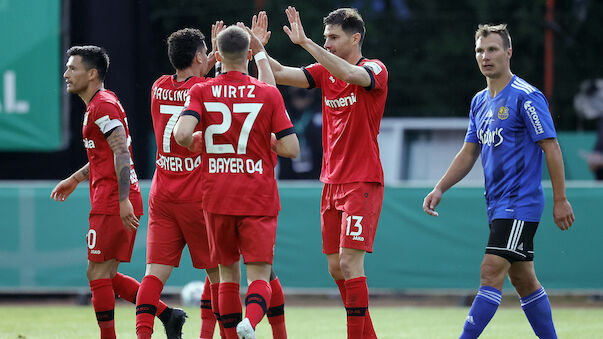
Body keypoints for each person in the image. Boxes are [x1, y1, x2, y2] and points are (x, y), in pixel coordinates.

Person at [422, 24, 575, 339]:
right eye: (480, 50)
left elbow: (551, 146)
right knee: (524, 281)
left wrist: (560, 199)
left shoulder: (527, 97)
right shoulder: (479, 101)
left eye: (492, 49)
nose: (485, 56)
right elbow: (468, 152)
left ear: (509, 52)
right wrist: (440, 187)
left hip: (520, 204)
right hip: (497, 205)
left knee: (490, 271)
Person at [260, 7, 388, 338]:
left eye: (333, 37)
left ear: (355, 37)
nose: (327, 43)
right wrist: (255, 50)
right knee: (335, 267)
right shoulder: (323, 71)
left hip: (362, 179)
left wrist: (306, 44)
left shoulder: (374, 68)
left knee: (349, 264)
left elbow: (351, 76)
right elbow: (279, 73)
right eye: (325, 37)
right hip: (331, 182)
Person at [173, 24, 299, 339]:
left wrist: (198, 141)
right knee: (260, 276)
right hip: (257, 195)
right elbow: (292, 149)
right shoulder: (267, 93)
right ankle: (251, 323)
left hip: (217, 196)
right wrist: (265, 141)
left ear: (217, 54)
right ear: (248, 53)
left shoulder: (201, 90)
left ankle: (231, 333)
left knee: (226, 278)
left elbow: (182, 135)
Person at [51, 45, 186, 339]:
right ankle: (168, 314)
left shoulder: (102, 105)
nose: (66, 74)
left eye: (73, 68)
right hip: (111, 197)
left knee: (97, 274)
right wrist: (75, 179)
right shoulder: (98, 105)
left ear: (92, 73)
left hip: (113, 199)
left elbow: (122, 151)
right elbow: (104, 156)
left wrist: (123, 198)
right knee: (105, 275)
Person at [134, 26, 221, 339]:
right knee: (219, 274)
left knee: (153, 276)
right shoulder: (206, 89)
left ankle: (143, 335)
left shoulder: (158, 86)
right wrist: (222, 57)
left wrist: (207, 57)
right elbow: (207, 90)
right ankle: (207, 335)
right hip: (197, 195)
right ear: (199, 56)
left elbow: (189, 84)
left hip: (162, 193)